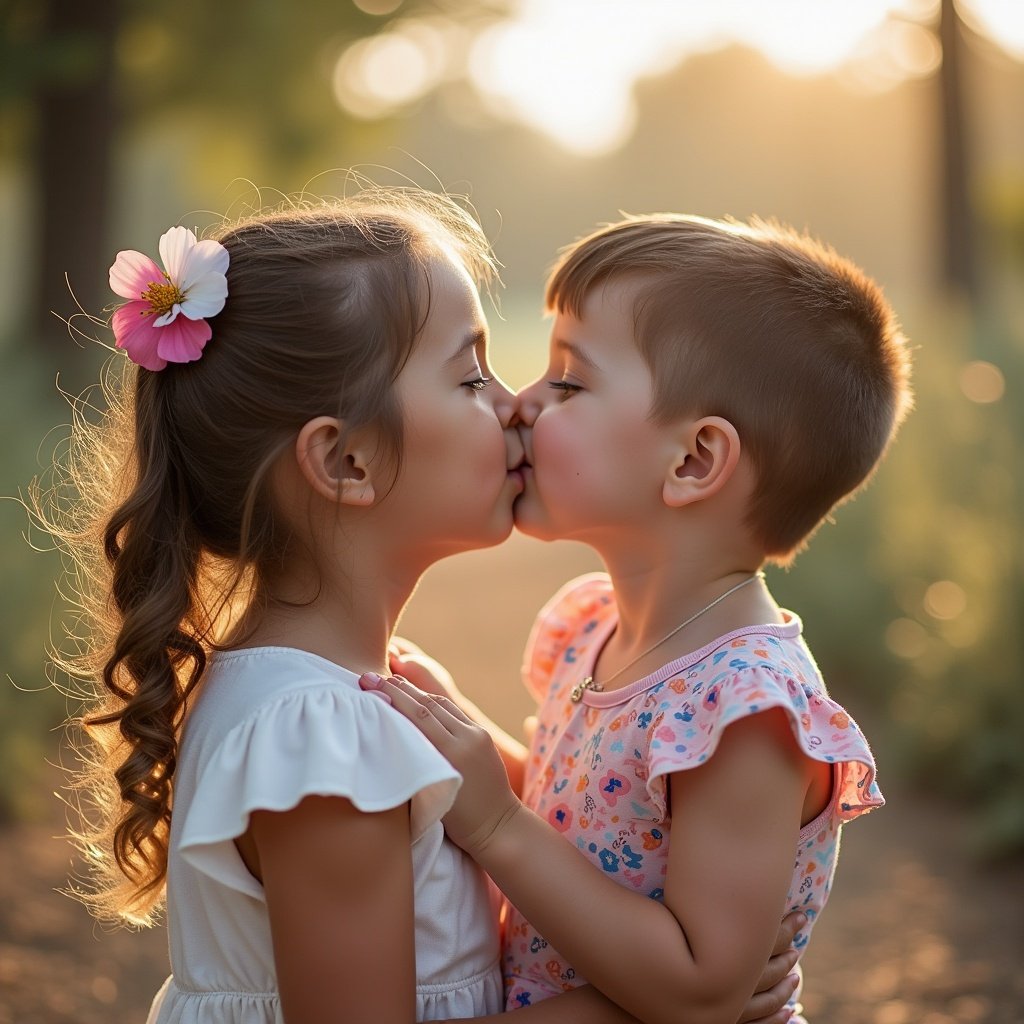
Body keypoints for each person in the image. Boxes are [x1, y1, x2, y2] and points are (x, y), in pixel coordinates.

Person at [43, 192, 802, 1024]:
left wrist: (686, 971)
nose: (516, 404)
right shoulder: (326, 749)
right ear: (348, 461)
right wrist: (642, 1011)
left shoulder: (346, 704)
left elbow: (578, 806)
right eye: (471, 376)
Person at [364, 213, 912, 1024]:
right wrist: (467, 737)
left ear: (693, 461)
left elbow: (700, 990)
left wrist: (495, 822)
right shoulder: (598, 627)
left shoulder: (742, 710)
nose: (519, 403)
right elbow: (590, 820)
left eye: (570, 382)